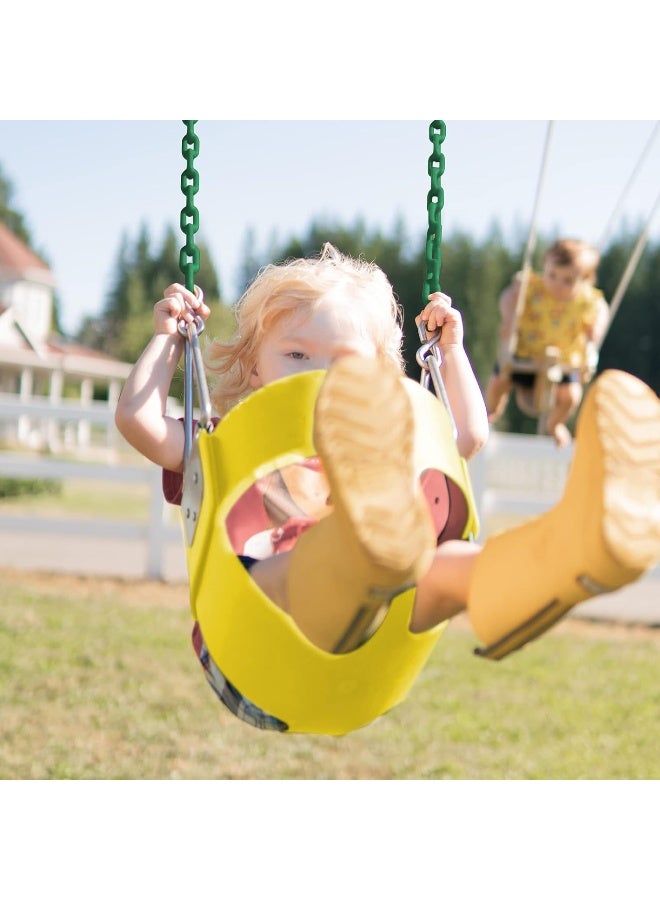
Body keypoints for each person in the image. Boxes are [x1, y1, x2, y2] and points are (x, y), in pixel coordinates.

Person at [115, 243, 659, 731]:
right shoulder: (224, 441)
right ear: (255, 365)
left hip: (374, 658)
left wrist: (450, 352)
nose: (318, 376)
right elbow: (139, 421)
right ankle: (359, 549)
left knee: (441, 568)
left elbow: (466, 434)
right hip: (252, 656)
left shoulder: (382, 450)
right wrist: (170, 341)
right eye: (297, 355)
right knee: (313, 558)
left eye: (345, 363)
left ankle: (572, 549)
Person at [485, 238, 610, 447]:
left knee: (571, 396)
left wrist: (597, 328)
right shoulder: (532, 286)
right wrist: (508, 317)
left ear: (585, 280)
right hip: (523, 354)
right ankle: (491, 411)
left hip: (564, 361)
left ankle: (555, 424)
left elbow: (602, 310)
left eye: (568, 280)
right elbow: (507, 297)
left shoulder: (587, 300)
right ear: (545, 267)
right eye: (552, 275)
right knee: (498, 383)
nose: (557, 284)